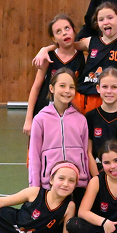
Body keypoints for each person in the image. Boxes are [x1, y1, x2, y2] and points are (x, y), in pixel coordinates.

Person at [35, 2, 117, 114]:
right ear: (97, 24)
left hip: (101, 96)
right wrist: (45, 49)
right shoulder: (90, 41)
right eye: (101, 19)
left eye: (110, 17)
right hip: (79, 95)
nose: (106, 22)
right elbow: (66, 45)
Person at [28, 68, 90, 206]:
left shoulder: (81, 120)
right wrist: (35, 187)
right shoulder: (40, 119)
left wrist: (87, 181)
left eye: (71, 87)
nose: (67, 90)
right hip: (50, 186)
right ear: (51, 88)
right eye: (62, 86)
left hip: (77, 185)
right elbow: (34, 156)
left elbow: (85, 155)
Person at [23, 14, 85, 135]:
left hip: (69, 111)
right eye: (58, 31)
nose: (64, 33)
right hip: (46, 108)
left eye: (67, 28)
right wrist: (28, 119)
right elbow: (36, 87)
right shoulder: (48, 57)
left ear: (74, 31)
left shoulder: (83, 56)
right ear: (54, 38)